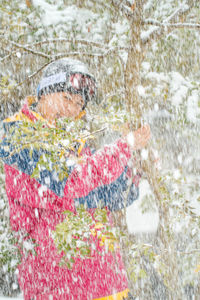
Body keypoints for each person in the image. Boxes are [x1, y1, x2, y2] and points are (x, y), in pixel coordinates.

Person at [0, 59, 150, 300]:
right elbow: (71, 185)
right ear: (43, 94)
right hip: (57, 288)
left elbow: (115, 197)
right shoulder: (18, 136)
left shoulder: (74, 145)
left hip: (107, 285)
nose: (71, 109)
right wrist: (124, 147)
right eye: (66, 98)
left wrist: (133, 167)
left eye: (78, 103)